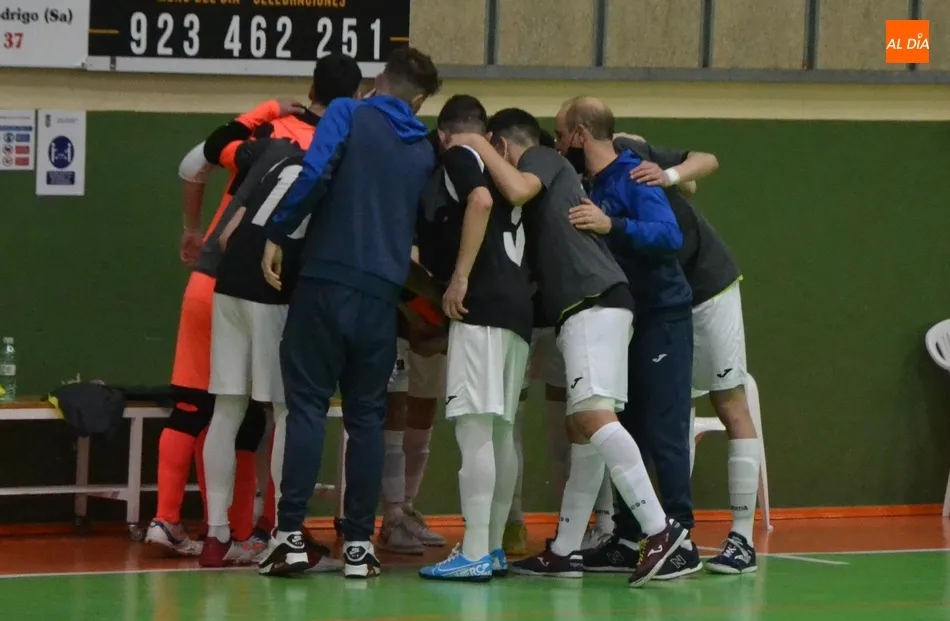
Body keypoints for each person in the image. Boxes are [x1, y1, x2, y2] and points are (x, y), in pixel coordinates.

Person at [448, 109, 684, 588]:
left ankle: (660, 530)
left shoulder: (539, 158)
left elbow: (517, 189)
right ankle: (565, 549)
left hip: (592, 301)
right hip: (594, 304)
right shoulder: (554, 181)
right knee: (581, 426)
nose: (559, 145)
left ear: (503, 144)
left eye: (561, 136)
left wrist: (474, 141)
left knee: (594, 417)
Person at [147, 56, 359, 555]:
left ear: (311, 88)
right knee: (281, 412)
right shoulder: (339, 150)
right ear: (352, 102)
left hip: (217, 275)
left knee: (211, 409)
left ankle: (204, 529)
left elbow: (198, 159)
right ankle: (275, 530)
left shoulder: (268, 138)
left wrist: (191, 229)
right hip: (272, 282)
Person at [257, 47, 441, 579]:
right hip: (381, 298)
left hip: (326, 281)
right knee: (366, 419)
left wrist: (278, 232)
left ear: (379, 79)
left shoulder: (347, 112)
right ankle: (360, 545)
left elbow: (315, 174)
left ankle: (290, 537)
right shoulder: (423, 148)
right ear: (420, 101)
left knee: (307, 408)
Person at [559, 97, 699, 581]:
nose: (558, 144)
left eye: (560, 134)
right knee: (628, 427)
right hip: (627, 319)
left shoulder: (634, 175)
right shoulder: (587, 184)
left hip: (663, 315)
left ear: (580, 134)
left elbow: (668, 236)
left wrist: (612, 225)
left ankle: (681, 538)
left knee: (664, 428)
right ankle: (628, 537)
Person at [611, 134, 759, 575]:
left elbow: (705, 160)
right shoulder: (582, 180)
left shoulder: (627, 147)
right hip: (660, 303)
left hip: (707, 287)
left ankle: (743, 538)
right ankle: (667, 536)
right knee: (671, 413)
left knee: (728, 400)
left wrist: (670, 175)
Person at [416, 95, 533, 581]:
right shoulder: (507, 167)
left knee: (474, 428)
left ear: (444, 133)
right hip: (517, 311)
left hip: (480, 308)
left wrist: (460, 275)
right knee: (502, 430)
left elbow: (479, 201)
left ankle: (475, 551)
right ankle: (494, 546)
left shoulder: (460, 154)